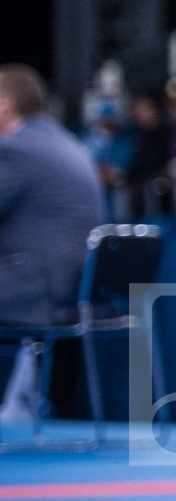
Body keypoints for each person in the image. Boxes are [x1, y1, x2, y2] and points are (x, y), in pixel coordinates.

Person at [0, 65, 104, 327]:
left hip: (33, 293)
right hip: (73, 291)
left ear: (4, 106)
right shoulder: (68, 143)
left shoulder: (18, 149)